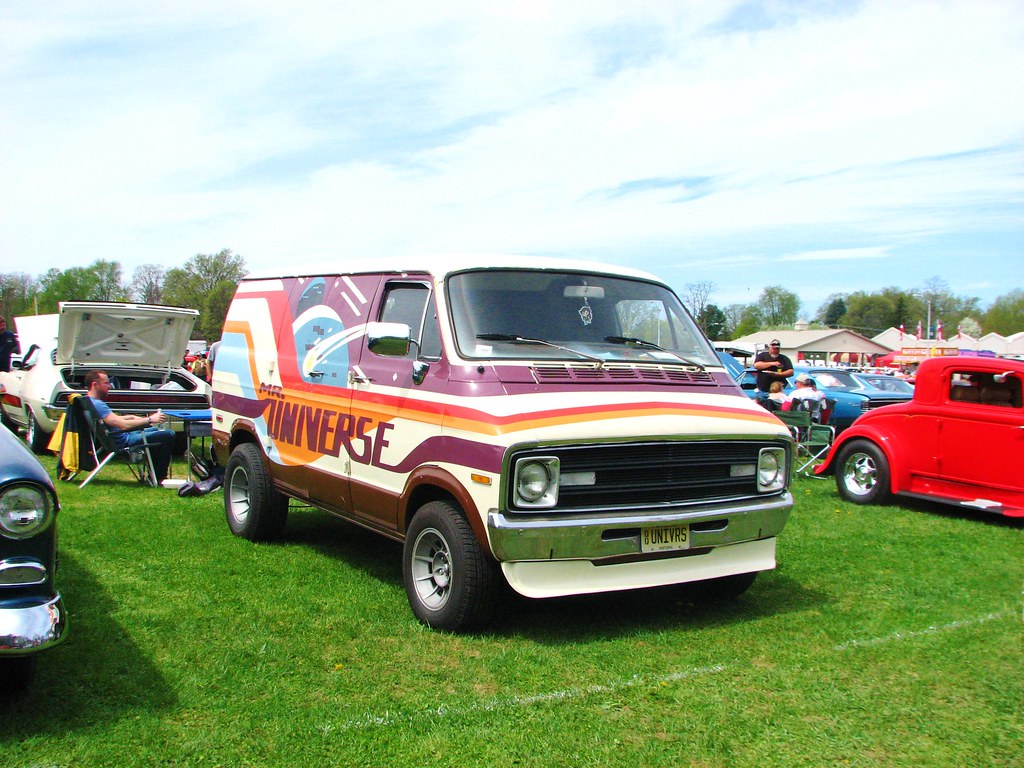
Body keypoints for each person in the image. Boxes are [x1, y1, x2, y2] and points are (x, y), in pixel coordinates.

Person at [84, 369, 175, 484]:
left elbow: (114, 420)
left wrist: (133, 417)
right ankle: (158, 476)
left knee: (156, 431)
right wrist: (149, 419)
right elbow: (123, 426)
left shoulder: (90, 402)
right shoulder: (98, 404)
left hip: (115, 436)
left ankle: (153, 475)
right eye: (106, 383)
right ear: (95, 385)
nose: (110, 386)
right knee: (168, 434)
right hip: (123, 440)